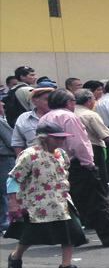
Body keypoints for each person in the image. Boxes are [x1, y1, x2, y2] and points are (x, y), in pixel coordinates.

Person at [42, 88, 109, 247]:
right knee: (98, 201)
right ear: (68, 102)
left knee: (70, 201)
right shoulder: (68, 116)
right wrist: (89, 163)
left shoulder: (45, 118)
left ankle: (73, 236)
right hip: (76, 163)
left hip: (55, 163)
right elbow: (79, 143)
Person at [4, 123, 87, 268]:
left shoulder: (61, 154)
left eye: (62, 138)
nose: (61, 141)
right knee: (31, 235)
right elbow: (14, 178)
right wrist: (13, 202)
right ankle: (16, 256)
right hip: (37, 203)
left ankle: (66, 264)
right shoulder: (30, 155)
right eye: (56, 138)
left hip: (62, 201)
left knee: (70, 232)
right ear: (44, 138)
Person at [73, 89, 109, 196]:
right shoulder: (90, 115)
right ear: (88, 100)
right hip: (94, 148)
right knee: (99, 178)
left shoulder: (70, 113)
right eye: (94, 99)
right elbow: (106, 136)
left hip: (74, 150)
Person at [11, 87, 52, 153]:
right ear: (34, 101)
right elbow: (17, 143)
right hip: (33, 158)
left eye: (52, 100)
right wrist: (20, 158)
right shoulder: (24, 118)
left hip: (57, 157)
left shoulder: (59, 116)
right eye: (47, 99)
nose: (51, 102)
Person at [0, 101, 14, 233]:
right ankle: (7, 223)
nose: (3, 105)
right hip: (4, 158)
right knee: (8, 190)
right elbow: (11, 140)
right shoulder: (1, 122)